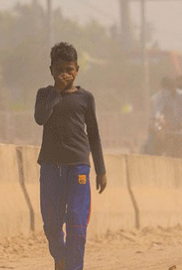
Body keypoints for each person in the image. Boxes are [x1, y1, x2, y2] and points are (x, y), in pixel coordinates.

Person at [34, 42, 107, 270]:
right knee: (52, 223)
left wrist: (101, 169)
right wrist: (56, 92)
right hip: (50, 167)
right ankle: (60, 257)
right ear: (51, 70)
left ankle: (73, 266)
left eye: (69, 69)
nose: (65, 74)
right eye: (59, 70)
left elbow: (93, 134)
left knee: (76, 221)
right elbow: (40, 118)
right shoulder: (44, 94)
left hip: (78, 167)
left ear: (77, 69)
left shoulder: (86, 98)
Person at [143, 76, 182, 155]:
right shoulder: (163, 97)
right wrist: (155, 118)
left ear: (172, 87)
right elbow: (157, 110)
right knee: (154, 137)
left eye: (165, 88)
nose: (163, 91)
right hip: (169, 128)